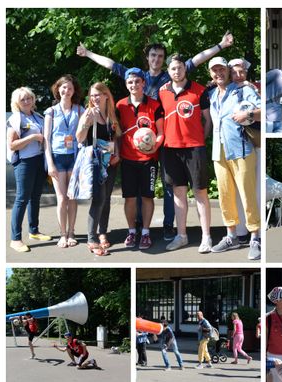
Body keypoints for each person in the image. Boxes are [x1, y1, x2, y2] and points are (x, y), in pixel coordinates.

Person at [77, 32, 233, 241]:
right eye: (153, 55)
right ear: (148, 58)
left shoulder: (172, 74)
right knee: (138, 188)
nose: (157, 59)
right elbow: (111, 65)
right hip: (139, 141)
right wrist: (87, 53)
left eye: (160, 56)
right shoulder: (138, 77)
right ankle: (140, 227)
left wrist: (221, 45)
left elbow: (198, 58)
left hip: (165, 138)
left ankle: (168, 226)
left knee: (169, 186)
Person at [208, 57, 261, 260]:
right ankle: (231, 236)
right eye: (215, 70)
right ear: (211, 74)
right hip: (218, 151)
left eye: (222, 69)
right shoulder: (212, 94)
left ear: (228, 71)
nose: (219, 73)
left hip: (241, 149)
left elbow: (262, 111)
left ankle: (255, 237)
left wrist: (246, 114)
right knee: (225, 194)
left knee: (248, 195)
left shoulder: (242, 90)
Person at [159, 54, 212, 253]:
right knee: (178, 193)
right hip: (171, 149)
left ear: (185, 69)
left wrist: (199, 139)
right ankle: (181, 236)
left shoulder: (200, 90)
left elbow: (208, 121)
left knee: (200, 192)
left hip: (194, 148)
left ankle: (206, 238)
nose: (177, 72)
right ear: (168, 71)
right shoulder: (162, 92)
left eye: (180, 68)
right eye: (173, 69)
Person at [116, 68, 164, 250]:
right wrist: (116, 153)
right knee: (129, 198)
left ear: (143, 83)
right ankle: (131, 232)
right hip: (128, 159)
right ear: (126, 85)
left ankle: (145, 233)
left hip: (148, 160)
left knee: (146, 197)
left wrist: (155, 146)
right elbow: (117, 133)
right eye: (130, 82)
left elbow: (160, 132)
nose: (133, 85)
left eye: (137, 81)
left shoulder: (154, 105)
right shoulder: (120, 105)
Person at [76, 82, 122, 256]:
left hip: (110, 162)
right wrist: (86, 123)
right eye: (92, 95)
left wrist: (117, 153)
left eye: (98, 95)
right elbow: (79, 138)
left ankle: (103, 232)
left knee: (107, 198)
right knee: (99, 199)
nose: (94, 98)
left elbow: (115, 136)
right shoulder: (88, 113)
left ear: (105, 96)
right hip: (95, 162)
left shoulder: (111, 114)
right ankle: (91, 238)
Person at [7, 87, 52, 253]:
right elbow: (11, 145)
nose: (26, 101)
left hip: (39, 160)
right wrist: (32, 137)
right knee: (22, 199)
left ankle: (34, 231)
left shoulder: (37, 116)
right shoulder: (15, 119)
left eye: (29, 98)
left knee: (35, 197)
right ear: (17, 102)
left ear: (33, 99)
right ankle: (15, 239)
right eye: (23, 99)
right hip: (24, 162)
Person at [44, 74, 84, 248]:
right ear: (57, 89)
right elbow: (46, 139)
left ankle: (71, 232)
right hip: (57, 157)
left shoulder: (80, 109)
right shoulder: (50, 111)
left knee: (72, 197)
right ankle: (62, 234)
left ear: (74, 90)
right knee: (61, 199)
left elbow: (85, 134)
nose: (66, 90)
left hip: (75, 157)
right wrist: (50, 163)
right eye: (63, 87)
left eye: (70, 88)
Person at [228, 58, 261, 245]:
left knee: (251, 190)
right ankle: (241, 230)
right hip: (233, 146)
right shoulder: (226, 90)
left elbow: (261, 110)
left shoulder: (248, 89)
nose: (238, 76)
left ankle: (254, 232)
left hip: (250, 143)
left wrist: (247, 115)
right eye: (234, 72)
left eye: (241, 72)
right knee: (238, 191)